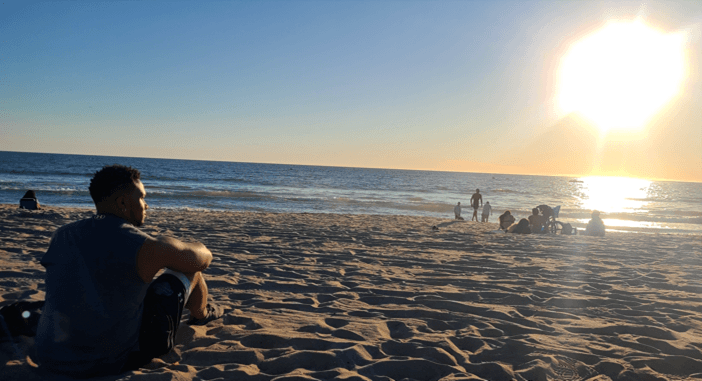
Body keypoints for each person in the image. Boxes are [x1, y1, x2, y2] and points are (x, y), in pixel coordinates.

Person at [35, 165, 224, 378]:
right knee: (189, 272)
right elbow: (202, 260)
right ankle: (202, 315)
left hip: (49, 356)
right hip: (109, 363)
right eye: (142, 198)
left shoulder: (62, 235)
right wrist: (181, 244)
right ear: (123, 203)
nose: (147, 205)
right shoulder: (144, 246)